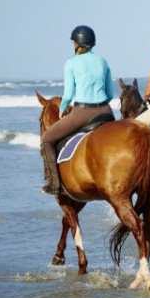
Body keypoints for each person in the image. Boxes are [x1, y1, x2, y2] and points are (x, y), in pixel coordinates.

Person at [40, 25, 114, 195]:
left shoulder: (71, 63)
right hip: (106, 112)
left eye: (73, 41)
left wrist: (63, 109)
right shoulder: (102, 61)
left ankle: (55, 185)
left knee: (47, 139)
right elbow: (110, 94)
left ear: (77, 44)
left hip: (83, 113)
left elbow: (67, 94)